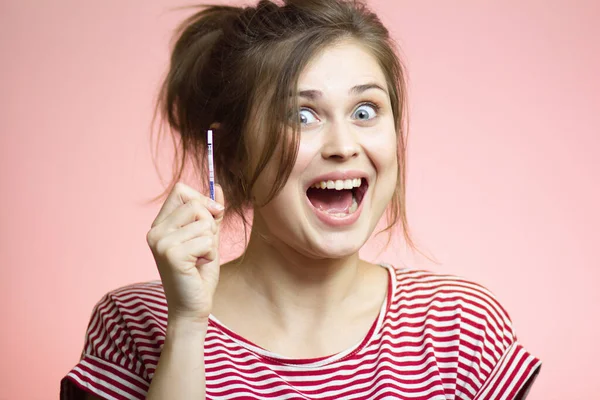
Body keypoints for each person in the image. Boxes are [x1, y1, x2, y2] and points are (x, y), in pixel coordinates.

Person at [60, 0, 541, 399]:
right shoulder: (135, 325)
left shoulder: (461, 329)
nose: (343, 145)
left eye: (365, 110)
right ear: (231, 150)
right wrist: (186, 327)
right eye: (303, 116)